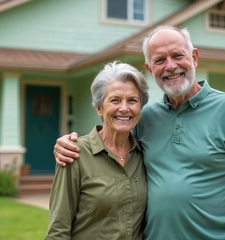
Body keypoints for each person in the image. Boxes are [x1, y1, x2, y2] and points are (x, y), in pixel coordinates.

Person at [54, 26, 225, 240]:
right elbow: (112, 141)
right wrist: (66, 144)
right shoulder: (145, 117)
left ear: (194, 57)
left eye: (177, 55)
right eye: (160, 60)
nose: (171, 66)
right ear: (149, 68)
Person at [45, 61, 149, 240]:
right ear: (99, 108)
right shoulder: (75, 154)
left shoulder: (144, 154)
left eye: (132, 100)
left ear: (140, 108)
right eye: (115, 100)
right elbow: (58, 230)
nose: (124, 108)